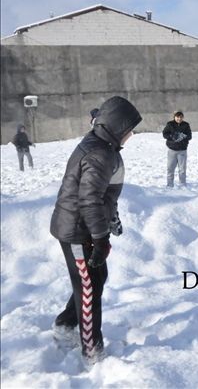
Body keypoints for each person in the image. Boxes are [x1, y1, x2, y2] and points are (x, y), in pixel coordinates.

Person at [50, 96, 142, 363]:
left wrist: (110, 220)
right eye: (129, 129)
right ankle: (92, 352)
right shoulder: (100, 153)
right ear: (116, 127)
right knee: (88, 288)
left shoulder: (104, 146)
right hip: (78, 231)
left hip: (86, 227)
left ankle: (66, 324)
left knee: (95, 279)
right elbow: (88, 199)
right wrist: (101, 240)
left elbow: (103, 196)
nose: (131, 135)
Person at [162, 111, 191, 188]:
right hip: (172, 150)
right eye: (177, 117)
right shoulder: (170, 124)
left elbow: (189, 136)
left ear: (183, 117)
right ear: (174, 117)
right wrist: (172, 136)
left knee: (182, 170)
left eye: (181, 117)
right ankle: (169, 185)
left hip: (182, 150)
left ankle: (182, 185)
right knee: (170, 168)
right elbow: (164, 134)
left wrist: (183, 136)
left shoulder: (186, 125)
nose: (179, 118)